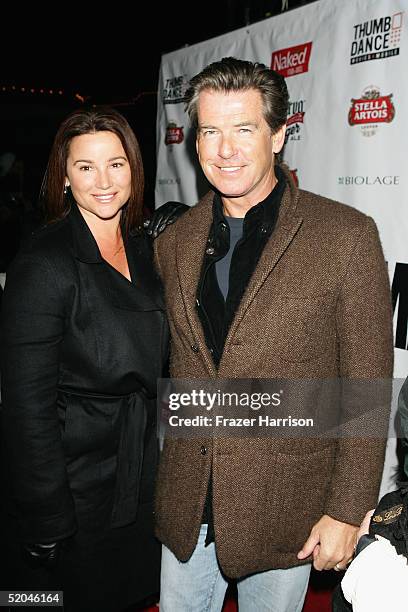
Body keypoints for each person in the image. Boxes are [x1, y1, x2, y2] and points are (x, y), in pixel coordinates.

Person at [152, 57, 394, 611]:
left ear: (279, 135)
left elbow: (366, 384)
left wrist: (347, 507)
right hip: (188, 502)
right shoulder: (176, 240)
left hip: (288, 506)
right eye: (210, 131)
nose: (225, 149)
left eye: (244, 129)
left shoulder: (345, 236)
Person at [0, 107, 168, 612]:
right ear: (65, 178)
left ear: (134, 170)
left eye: (116, 164)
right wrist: (46, 514)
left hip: (137, 471)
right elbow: (26, 406)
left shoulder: (146, 250)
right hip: (71, 485)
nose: (103, 181)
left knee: (127, 594)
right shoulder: (44, 262)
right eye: (85, 167)